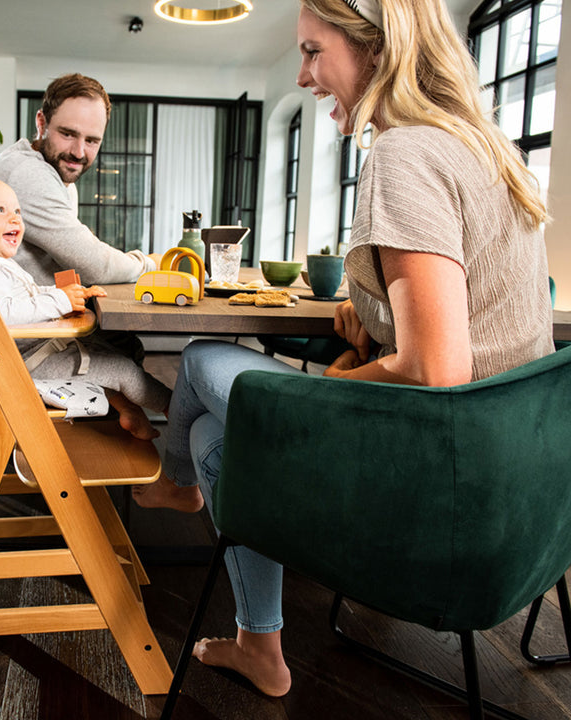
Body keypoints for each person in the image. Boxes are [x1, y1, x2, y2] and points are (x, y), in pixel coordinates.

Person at [133, 0, 555, 697]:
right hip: (514, 491)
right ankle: (256, 645)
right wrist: (379, 322)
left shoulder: (404, 150)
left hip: (433, 488)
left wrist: (349, 376)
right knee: (218, 433)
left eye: (311, 51)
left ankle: (172, 484)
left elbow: (435, 366)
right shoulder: (486, 149)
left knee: (206, 356)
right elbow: (461, 329)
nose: (302, 75)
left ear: (376, 50)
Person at [0, 73, 159, 362]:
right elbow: (96, 265)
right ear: (41, 123)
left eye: (92, 140)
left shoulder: (58, 176)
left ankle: (121, 407)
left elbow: (71, 258)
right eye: (68, 134)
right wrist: (151, 263)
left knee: (118, 339)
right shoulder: (28, 174)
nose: (79, 152)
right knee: (121, 347)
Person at [0, 173, 171, 440]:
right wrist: (60, 301)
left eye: (17, 210)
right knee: (123, 370)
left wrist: (67, 293)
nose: (15, 218)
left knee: (104, 355)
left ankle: (129, 410)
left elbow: (28, 294)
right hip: (29, 363)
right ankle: (175, 407)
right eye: (0, 210)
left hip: (33, 354)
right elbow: (2, 314)